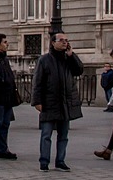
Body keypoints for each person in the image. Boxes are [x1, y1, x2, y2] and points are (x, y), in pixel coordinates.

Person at [31, 32, 83, 172]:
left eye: (66, 40)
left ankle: (60, 161)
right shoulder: (45, 60)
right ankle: (44, 161)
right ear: (53, 43)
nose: (65, 43)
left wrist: (72, 55)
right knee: (46, 134)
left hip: (65, 102)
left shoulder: (68, 59)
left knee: (63, 135)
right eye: (61, 40)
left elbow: (79, 70)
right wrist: (37, 101)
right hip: (49, 102)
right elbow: (38, 82)